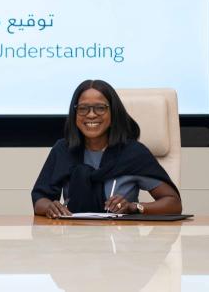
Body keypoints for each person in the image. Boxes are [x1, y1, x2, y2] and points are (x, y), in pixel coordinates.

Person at [31, 79, 181, 218]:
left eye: (100, 108)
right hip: (74, 239)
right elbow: (40, 199)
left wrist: (134, 207)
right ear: (75, 114)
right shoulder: (64, 149)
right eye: (83, 108)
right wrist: (50, 207)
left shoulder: (133, 153)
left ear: (113, 113)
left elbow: (173, 204)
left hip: (122, 241)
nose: (91, 115)